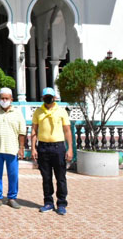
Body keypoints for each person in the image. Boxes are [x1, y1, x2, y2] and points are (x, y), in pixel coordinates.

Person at [31, 87, 73, 216]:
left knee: (60, 177)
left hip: (58, 147)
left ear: (54, 97)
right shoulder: (38, 112)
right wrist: (33, 148)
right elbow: (34, 131)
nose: (48, 98)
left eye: (50, 96)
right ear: (42, 98)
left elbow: (67, 130)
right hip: (43, 148)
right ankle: (48, 202)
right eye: (45, 96)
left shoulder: (61, 111)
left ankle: (61, 203)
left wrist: (70, 148)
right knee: (46, 177)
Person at [0, 87, 26, 209]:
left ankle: (12, 198)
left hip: (12, 149)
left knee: (13, 175)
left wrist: (21, 147)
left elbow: (22, 132)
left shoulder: (17, 113)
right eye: (2, 98)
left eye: (6, 98)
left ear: (11, 99)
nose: (4, 100)